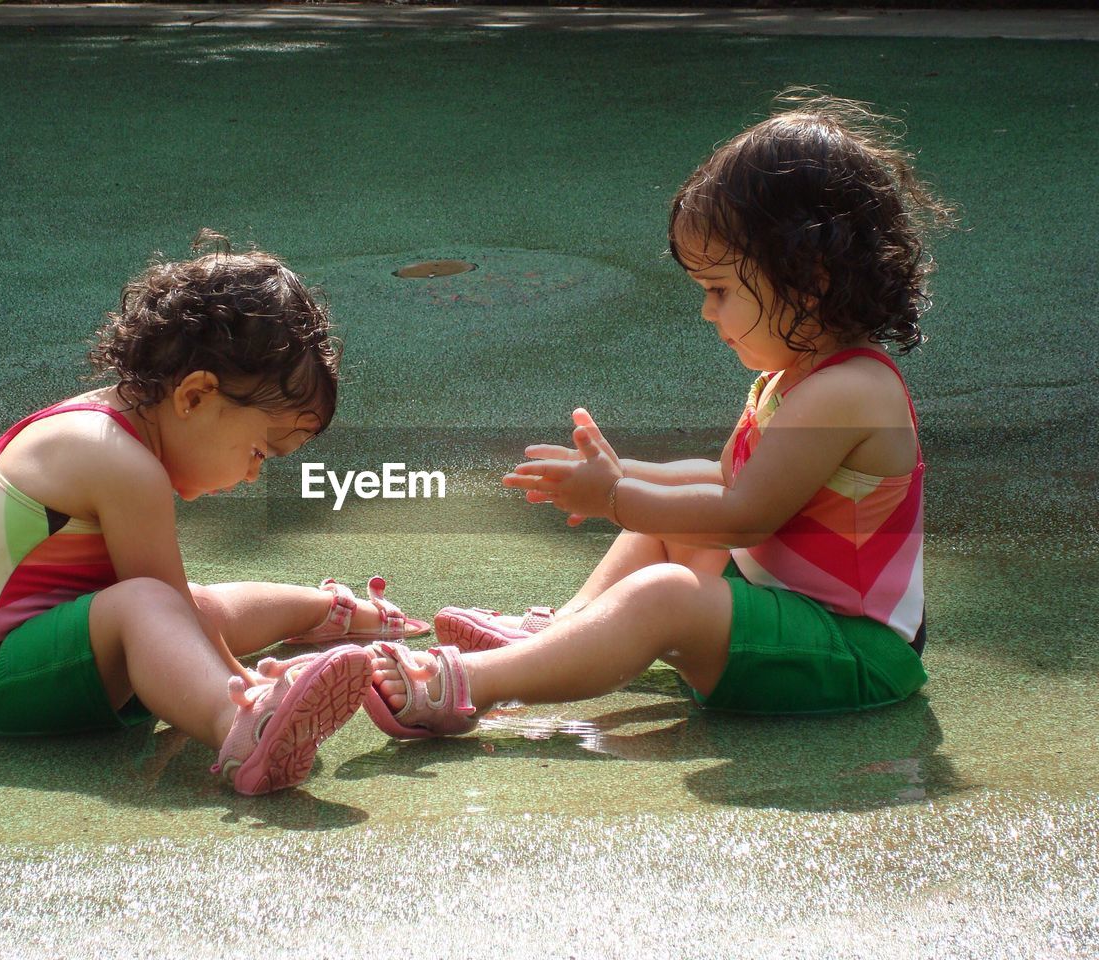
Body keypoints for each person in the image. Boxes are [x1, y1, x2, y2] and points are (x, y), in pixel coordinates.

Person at [364, 93, 953, 738]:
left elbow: (744, 515)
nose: (708, 312)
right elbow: (732, 480)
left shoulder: (852, 391)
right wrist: (630, 474)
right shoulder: (792, 377)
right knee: (664, 535)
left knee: (665, 594)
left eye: (720, 290)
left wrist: (617, 495)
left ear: (808, 280)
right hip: (796, 619)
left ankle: (478, 685)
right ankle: (560, 637)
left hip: (856, 654)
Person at [0, 231, 428, 795]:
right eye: (260, 451)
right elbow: (161, 609)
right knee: (157, 605)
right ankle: (242, 723)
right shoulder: (120, 462)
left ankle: (326, 610)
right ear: (194, 397)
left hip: (33, 658)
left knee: (186, 605)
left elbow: (182, 611)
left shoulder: (105, 423)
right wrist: (241, 678)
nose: (254, 474)